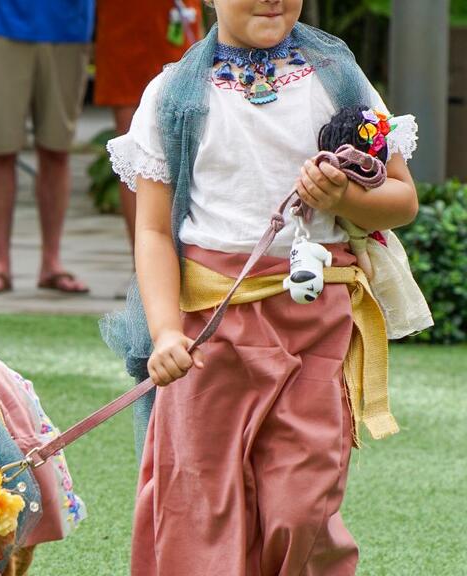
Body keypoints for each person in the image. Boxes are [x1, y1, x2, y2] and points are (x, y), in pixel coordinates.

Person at [104, 0, 421, 574]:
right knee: (198, 508)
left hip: (316, 320)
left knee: (301, 504)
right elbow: (152, 230)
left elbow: (402, 199)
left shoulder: (339, 79)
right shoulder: (175, 94)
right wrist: (165, 331)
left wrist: (343, 199)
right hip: (209, 333)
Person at [0, 0, 94, 294]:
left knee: (57, 150)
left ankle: (51, 263)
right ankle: (0, 263)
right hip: (1, 25)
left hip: (68, 27)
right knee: (0, 149)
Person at [94, 0, 203, 255]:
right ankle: (142, 264)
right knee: (134, 146)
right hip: (124, 27)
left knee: (190, 143)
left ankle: (189, 259)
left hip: (176, 24)